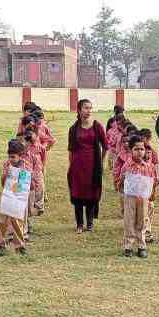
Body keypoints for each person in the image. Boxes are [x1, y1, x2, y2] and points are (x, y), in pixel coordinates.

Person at [67, 98, 107, 233]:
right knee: (77, 194)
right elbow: (71, 150)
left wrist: (100, 161)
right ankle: (79, 224)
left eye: (90, 108)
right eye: (85, 108)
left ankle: (89, 224)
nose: (88, 111)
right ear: (79, 110)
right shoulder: (73, 128)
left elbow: (106, 146)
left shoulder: (97, 126)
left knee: (91, 194)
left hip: (93, 167)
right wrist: (71, 166)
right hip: (78, 167)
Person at [116, 135, 158, 258]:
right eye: (136, 149)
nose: (140, 152)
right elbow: (121, 179)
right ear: (131, 151)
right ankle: (128, 245)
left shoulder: (148, 167)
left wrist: (153, 193)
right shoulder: (127, 166)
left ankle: (141, 245)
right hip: (130, 197)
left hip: (143, 198)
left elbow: (153, 181)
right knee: (129, 220)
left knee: (142, 220)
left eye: (142, 149)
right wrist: (122, 189)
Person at [0, 139, 30, 256]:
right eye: (9, 157)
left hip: (18, 198)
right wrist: (5, 175)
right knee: (3, 221)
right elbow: (2, 183)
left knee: (17, 221)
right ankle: (0, 244)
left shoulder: (25, 166)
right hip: (7, 197)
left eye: (13, 157)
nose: (11, 159)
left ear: (20, 156)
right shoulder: (7, 165)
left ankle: (20, 245)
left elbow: (24, 186)